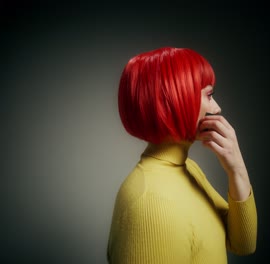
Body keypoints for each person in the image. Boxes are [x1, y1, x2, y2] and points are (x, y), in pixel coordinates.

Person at [107, 47, 257, 263]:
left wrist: (237, 169)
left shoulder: (186, 169)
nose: (217, 108)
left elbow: (243, 243)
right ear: (175, 100)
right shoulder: (150, 202)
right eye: (209, 95)